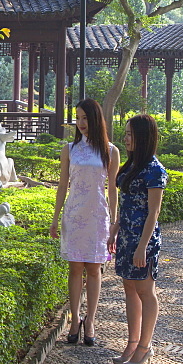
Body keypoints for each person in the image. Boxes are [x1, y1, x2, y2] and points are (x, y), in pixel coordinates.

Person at [50, 99, 120, 346]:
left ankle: (91, 319)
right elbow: (62, 186)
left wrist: (114, 222)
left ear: (95, 119)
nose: (80, 123)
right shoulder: (69, 149)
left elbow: (112, 189)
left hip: (97, 217)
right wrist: (55, 218)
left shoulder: (110, 151)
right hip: (74, 214)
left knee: (94, 269)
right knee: (75, 269)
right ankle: (75, 318)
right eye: (77, 118)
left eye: (85, 118)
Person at [107, 113, 167, 364]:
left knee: (145, 291)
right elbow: (127, 203)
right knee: (129, 288)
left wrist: (143, 246)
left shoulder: (155, 171)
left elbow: (153, 212)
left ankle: (145, 346)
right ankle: (132, 343)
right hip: (126, 237)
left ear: (143, 137)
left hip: (144, 239)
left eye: (131, 134)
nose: (126, 138)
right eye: (126, 134)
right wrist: (115, 228)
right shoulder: (132, 166)